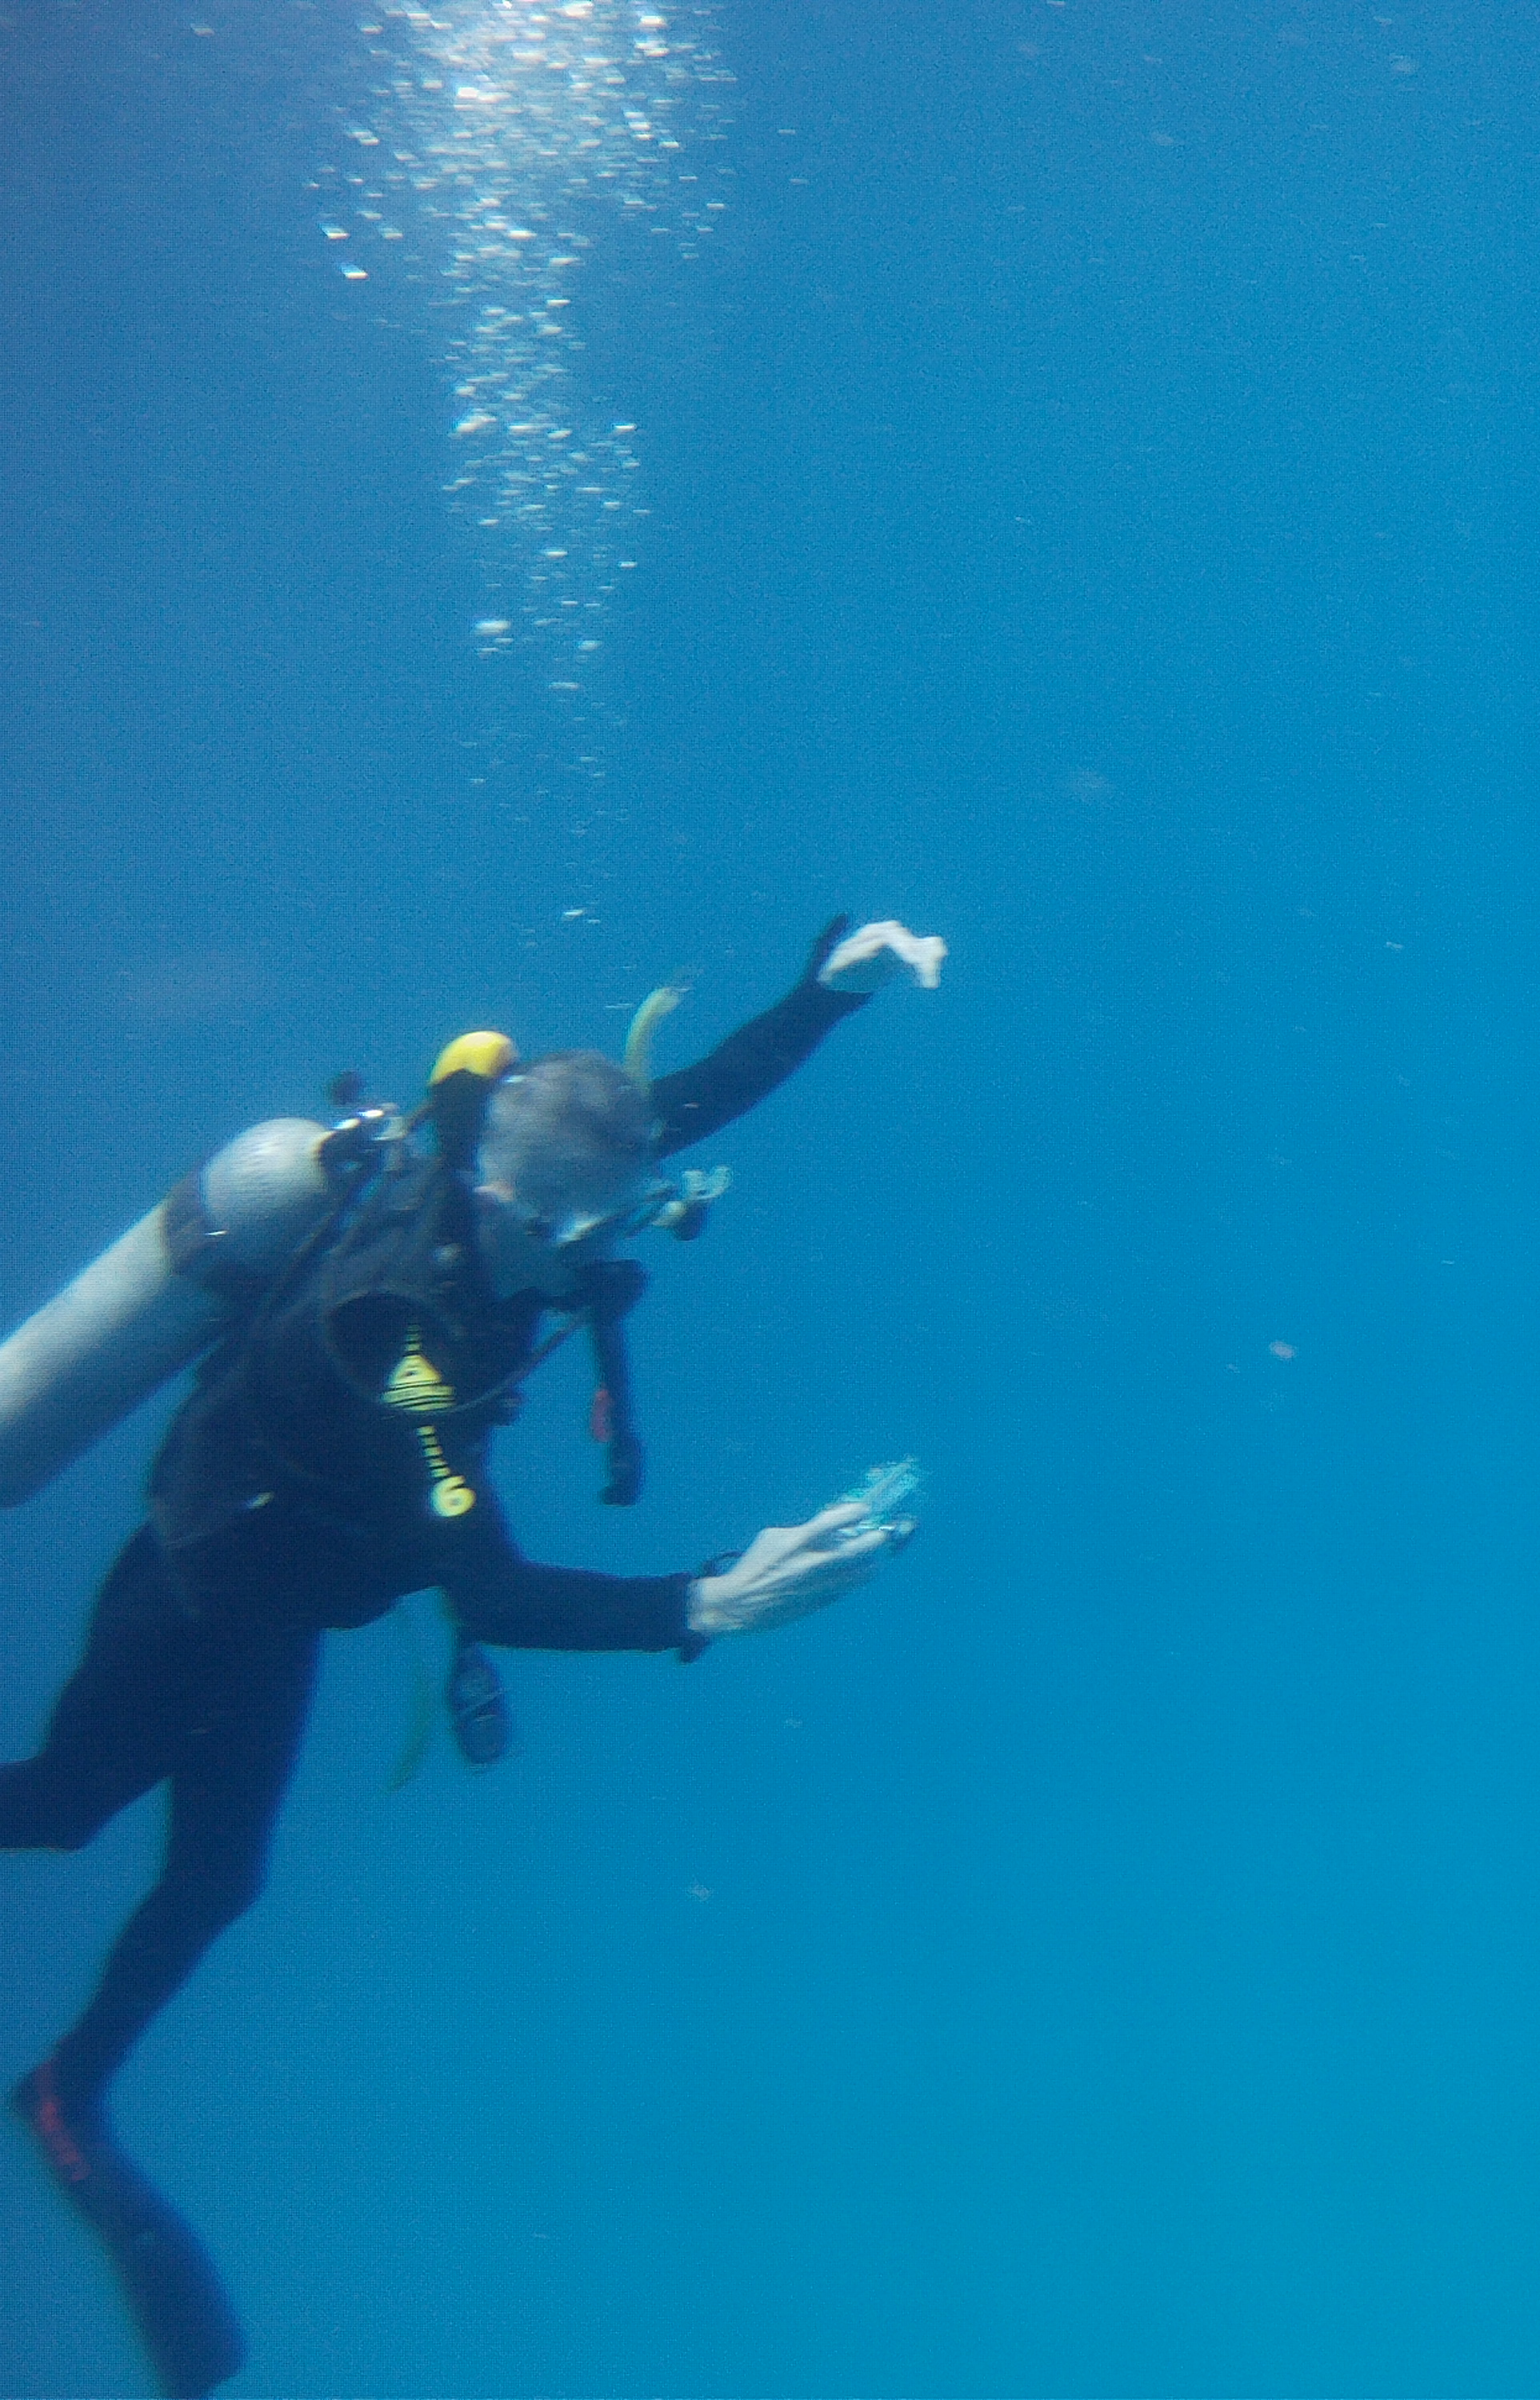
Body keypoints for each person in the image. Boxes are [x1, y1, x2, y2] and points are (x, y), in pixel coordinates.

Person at [2, 912, 944, 2397]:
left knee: (219, 1882)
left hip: (295, 1595)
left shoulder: (523, 1176)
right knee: (62, 1809)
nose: (597, 1255)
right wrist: (705, 1605)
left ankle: (68, 2093)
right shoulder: (399, 1336)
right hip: (197, 1588)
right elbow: (488, 1592)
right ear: (518, 1202)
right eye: (582, 1231)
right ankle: (68, 2089)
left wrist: (827, 989)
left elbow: (692, 1098)